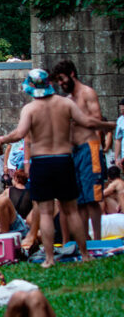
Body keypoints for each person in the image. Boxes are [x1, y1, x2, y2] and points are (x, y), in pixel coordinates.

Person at [0, 69, 113, 267]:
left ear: (31, 87)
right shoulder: (65, 103)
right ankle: (85, 254)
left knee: (46, 212)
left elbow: (20, 133)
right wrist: (110, 125)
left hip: (42, 162)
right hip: (64, 159)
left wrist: (1, 139)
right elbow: (88, 122)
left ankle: (49, 259)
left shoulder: (30, 109)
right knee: (71, 210)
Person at [53, 59, 108, 241]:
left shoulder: (87, 93)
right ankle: (85, 240)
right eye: (58, 81)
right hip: (74, 153)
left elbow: (97, 118)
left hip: (90, 148)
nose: (60, 84)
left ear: (72, 74)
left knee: (93, 198)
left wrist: (76, 119)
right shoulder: (68, 100)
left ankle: (97, 239)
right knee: (80, 200)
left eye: (62, 79)